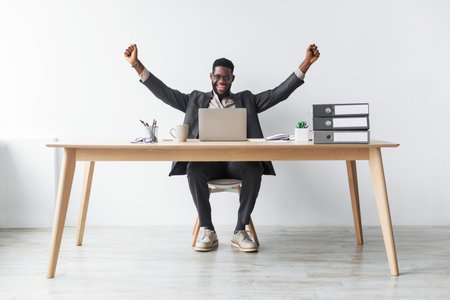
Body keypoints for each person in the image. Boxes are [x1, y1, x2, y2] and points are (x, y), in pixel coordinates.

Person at [124, 43, 320, 252]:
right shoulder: (195, 99)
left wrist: (306, 63)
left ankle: (240, 230)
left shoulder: (246, 99)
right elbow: (164, 93)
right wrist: (136, 64)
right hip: (209, 164)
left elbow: (278, 93)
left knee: (254, 168)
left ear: (232, 79)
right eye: (218, 76)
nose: (221, 81)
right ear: (211, 76)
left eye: (226, 77)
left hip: (237, 163)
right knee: (194, 169)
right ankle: (208, 230)